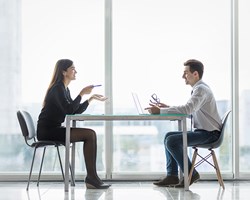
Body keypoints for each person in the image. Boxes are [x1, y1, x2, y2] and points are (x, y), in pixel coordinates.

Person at [146, 59, 222, 188]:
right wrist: (168, 107)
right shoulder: (199, 89)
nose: (183, 76)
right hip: (205, 132)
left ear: (195, 74)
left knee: (172, 141)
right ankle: (172, 176)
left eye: (185, 73)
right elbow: (191, 112)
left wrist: (162, 111)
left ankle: (191, 174)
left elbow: (187, 109)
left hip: (210, 134)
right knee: (168, 136)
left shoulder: (201, 90)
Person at [37, 59, 111, 189]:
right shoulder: (57, 88)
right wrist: (81, 93)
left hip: (54, 128)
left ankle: (92, 177)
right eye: (72, 68)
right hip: (47, 131)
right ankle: (92, 178)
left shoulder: (64, 89)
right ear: (64, 72)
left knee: (90, 134)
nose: (75, 71)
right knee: (90, 134)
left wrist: (91, 98)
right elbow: (68, 111)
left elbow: (75, 110)